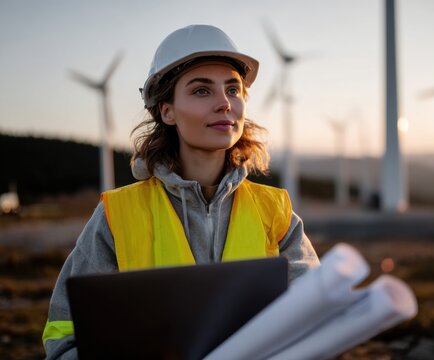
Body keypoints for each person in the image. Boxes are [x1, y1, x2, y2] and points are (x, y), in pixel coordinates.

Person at [42, 24, 320, 358]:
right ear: (167, 111)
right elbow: (65, 337)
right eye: (202, 91)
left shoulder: (275, 212)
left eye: (233, 90)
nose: (224, 103)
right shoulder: (118, 216)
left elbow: (315, 316)